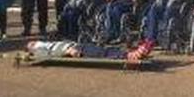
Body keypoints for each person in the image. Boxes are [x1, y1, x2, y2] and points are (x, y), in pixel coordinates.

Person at [25, 39, 154, 62]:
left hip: (77, 45)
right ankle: (131, 55)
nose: (32, 42)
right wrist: (68, 51)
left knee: (102, 49)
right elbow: (51, 54)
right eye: (30, 44)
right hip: (74, 49)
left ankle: (129, 53)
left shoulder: (43, 44)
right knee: (102, 53)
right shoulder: (39, 49)